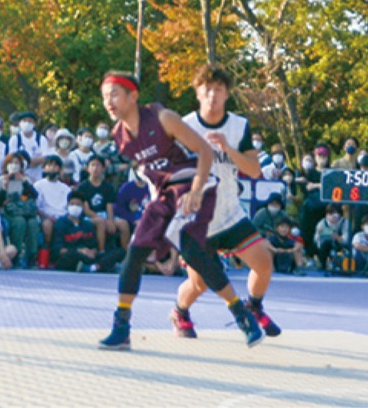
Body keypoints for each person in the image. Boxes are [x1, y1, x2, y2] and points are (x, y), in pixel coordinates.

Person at [96, 70, 265, 350]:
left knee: (191, 250)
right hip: (164, 194)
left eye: (114, 94)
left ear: (133, 96)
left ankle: (241, 314)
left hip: (195, 186)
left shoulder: (163, 118)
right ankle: (122, 325)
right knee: (135, 251)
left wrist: (197, 189)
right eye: (104, 97)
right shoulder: (119, 137)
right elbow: (150, 172)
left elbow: (205, 152)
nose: (108, 102)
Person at [172, 63, 283, 340]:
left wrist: (227, 149)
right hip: (197, 220)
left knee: (264, 262)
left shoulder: (238, 126)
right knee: (198, 285)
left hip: (229, 213)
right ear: (197, 93)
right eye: (207, 90)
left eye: (218, 90)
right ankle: (180, 312)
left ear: (226, 94)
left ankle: (254, 305)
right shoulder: (185, 126)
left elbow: (255, 170)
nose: (212, 96)